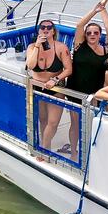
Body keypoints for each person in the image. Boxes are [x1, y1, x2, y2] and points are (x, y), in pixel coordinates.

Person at [65, 0, 108, 160]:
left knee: (92, 123)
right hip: (75, 90)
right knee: (75, 123)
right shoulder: (79, 46)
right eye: (89, 32)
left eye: (95, 33)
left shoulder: (106, 52)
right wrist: (95, 10)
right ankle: (74, 151)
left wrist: (105, 13)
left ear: (100, 35)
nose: (92, 34)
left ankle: (90, 152)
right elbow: (79, 25)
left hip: (94, 93)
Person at [26, 19, 72, 151]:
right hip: (37, 88)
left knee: (53, 123)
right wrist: (37, 46)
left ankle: (44, 149)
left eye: (49, 27)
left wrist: (55, 79)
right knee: (43, 120)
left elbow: (68, 69)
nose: (45, 29)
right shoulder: (31, 47)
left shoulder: (61, 47)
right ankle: (47, 145)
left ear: (53, 31)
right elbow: (30, 65)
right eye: (42, 27)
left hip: (55, 88)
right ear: (39, 30)